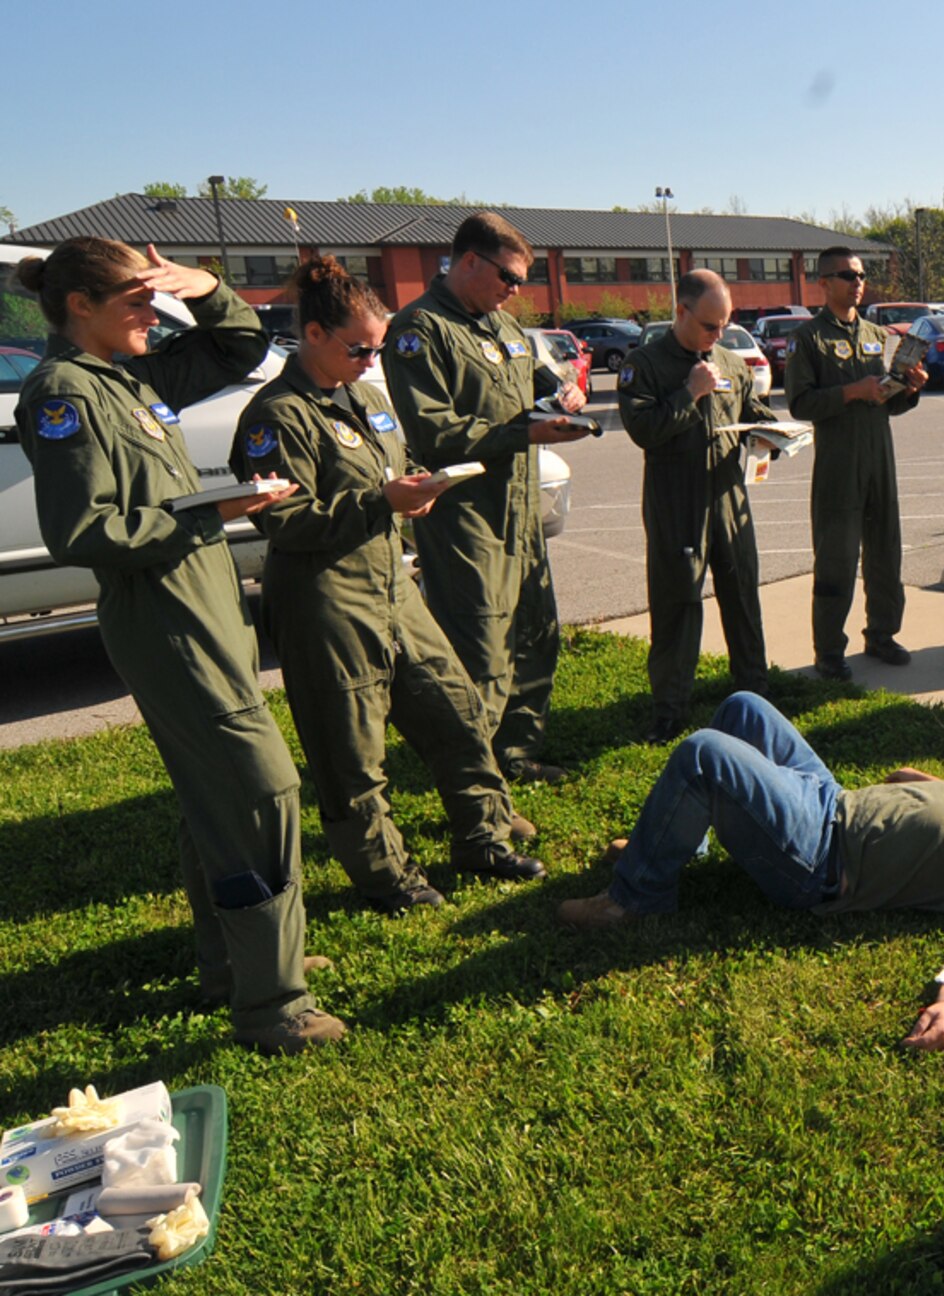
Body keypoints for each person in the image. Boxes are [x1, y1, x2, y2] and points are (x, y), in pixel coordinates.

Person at [12, 238, 341, 1053]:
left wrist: (204, 288)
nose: (152, 314)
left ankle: (240, 964)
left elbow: (238, 348)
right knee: (261, 791)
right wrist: (209, 514)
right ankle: (274, 1005)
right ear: (79, 305)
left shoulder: (131, 378)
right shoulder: (65, 392)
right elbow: (83, 529)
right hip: (165, 619)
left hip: (206, 607)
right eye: (136, 299)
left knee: (214, 798)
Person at [557, 692, 944, 1050]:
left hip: (820, 856)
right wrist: (916, 786)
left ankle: (634, 898)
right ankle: (679, 842)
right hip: (832, 798)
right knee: (743, 709)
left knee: (705, 752)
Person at [231, 257, 547, 915]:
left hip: (392, 586)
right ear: (313, 334)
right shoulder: (277, 417)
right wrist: (382, 501)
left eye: (376, 349)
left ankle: (483, 838)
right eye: (358, 349)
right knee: (351, 752)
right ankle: (387, 879)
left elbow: (396, 467)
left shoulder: (369, 401)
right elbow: (285, 520)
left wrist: (422, 487)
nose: (370, 362)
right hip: (327, 599)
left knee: (457, 710)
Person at [380, 213, 593, 784]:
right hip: (466, 516)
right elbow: (432, 431)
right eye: (509, 277)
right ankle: (475, 779)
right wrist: (523, 432)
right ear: (469, 261)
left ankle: (516, 755)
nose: (516, 290)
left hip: (519, 509)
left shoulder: (504, 326)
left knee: (534, 632)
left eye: (522, 280)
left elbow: (540, 380)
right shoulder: (419, 329)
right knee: (481, 646)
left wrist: (566, 393)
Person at [618, 269, 771, 742]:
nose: (718, 335)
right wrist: (690, 392)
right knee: (677, 602)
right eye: (709, 326)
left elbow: (753, 414)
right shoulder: (645, 364)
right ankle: (670, 709)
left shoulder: (731, 362)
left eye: (725, 324)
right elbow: (643, 430)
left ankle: (755, 695)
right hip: (676, 501)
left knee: (742, 594)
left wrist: (775, 434)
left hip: (728, 496)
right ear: (681, 311)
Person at [785, 247, 928, 679]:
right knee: (837, 558)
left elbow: (885, 402)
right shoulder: (808, 338)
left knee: (885, 551)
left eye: (861, 275)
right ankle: (829, 649)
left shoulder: (875, 334)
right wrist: (852, 391)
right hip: (839, 461)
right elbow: (800, 403)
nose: (858, 283)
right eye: (848, 276)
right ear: (824, 283)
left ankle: (882, 634)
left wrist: (908, 388)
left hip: (878, 454)